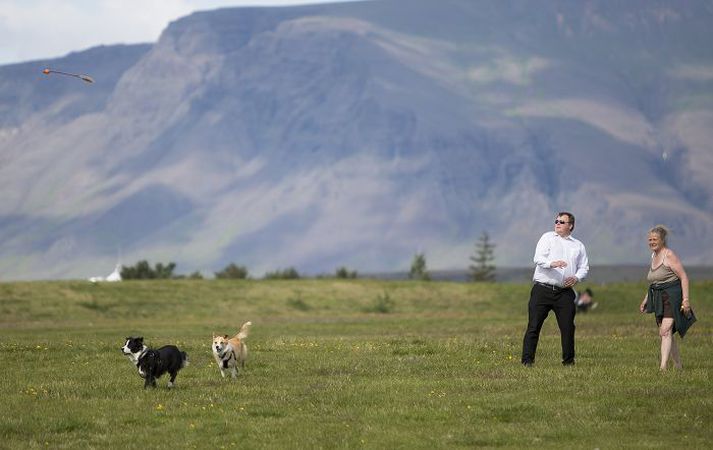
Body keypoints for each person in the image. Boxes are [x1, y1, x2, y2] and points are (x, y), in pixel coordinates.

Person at [522, 212, 589, 366]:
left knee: (568, 328)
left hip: (564, 292)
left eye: (562, 222)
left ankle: (568, 362)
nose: (557, 223)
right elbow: (538, 258)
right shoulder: (547, 237)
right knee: (534, 326)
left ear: (570, 225)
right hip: (542, 289)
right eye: (556, 221)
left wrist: (577, 277)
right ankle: (527, 361)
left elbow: (584, 267)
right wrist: (553, 263)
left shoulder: (578, 245)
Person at [639, 225, 695, 371]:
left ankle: (663, 367)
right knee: (667, 333)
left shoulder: (669, 255)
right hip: (658, 297)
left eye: (655, 239)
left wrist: (686, 300)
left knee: (664, 330)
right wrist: (646, 299)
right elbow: (654, 281)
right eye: (650, 239)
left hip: (672, 296)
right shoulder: (653, 256)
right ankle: (678, 365)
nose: (651, 242)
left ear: (662, 240)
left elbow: (684, 277)